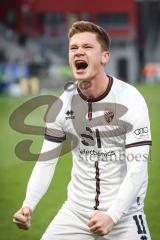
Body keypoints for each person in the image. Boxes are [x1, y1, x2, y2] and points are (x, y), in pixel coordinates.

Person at [13, 21, 152, 240]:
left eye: (87, 47)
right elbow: (46, 161)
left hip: (124, 214)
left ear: (104, 57)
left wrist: (112, 216)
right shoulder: (61, 105)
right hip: (76, 211)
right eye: (73, 48)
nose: (78, 51)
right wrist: (28, 204)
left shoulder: (131, 100)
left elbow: (138, 169)